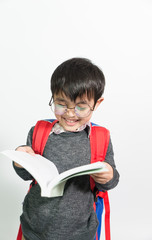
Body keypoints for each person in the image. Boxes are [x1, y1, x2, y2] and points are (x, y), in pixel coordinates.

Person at [14, 57, 120, 240]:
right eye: (61, 104)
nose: (70, 113)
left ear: (97, 103)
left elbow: (108, 183)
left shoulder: (100, 138)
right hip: (34, 228)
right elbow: (27, 176)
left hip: (80, 232)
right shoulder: (39, 132)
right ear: (53, 97)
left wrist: (108, 175)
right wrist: (20, 162)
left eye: (81, 107)